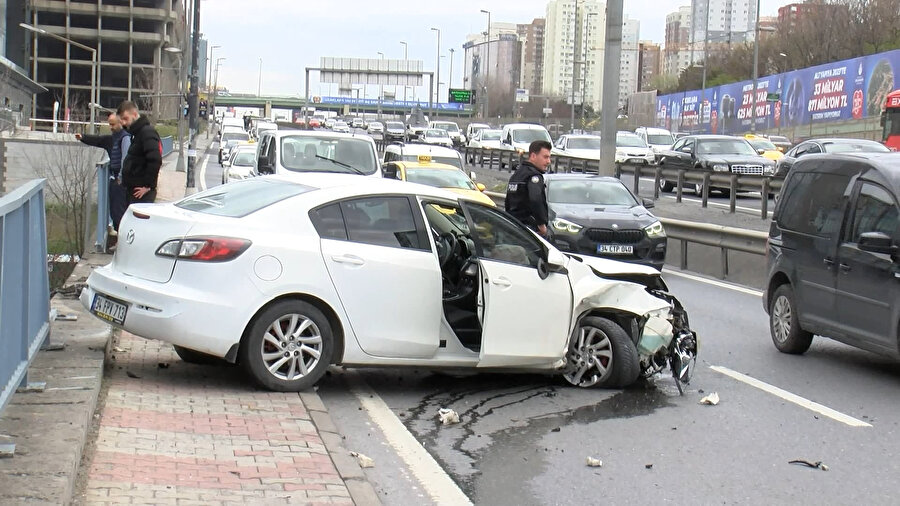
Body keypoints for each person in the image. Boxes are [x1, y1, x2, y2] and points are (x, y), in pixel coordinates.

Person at [76, 113, 130, 230]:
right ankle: (119, 234)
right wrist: (83, 137)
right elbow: (98, 140)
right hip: (116, 179)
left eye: (113, 124)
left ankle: (121, 238)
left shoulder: (125, 138)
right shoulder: (113, 138)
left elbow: (125, 158)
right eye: (109, 124)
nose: (110, 127)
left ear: (121, 123)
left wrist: (121, 176)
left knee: (119, 212)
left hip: (120, 181)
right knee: (116, 211)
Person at [117, 101, 162, 203]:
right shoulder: (137, 133)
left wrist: (148, 186)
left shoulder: (147, 132)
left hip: (141, 194)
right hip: (135, 191)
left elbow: (155, 160)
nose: (124, 123)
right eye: (121, 120)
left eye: (125, 118)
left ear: (134, 114)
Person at [505, 140, 552, 236]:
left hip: (513, 225)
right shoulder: (534, 176)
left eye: (549, 157)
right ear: (533, 156)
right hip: (529, 228)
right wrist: (541, 224)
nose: (548, 161)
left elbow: (508, 202)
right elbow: (535, 199)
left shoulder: (517, 174)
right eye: (545, 157)